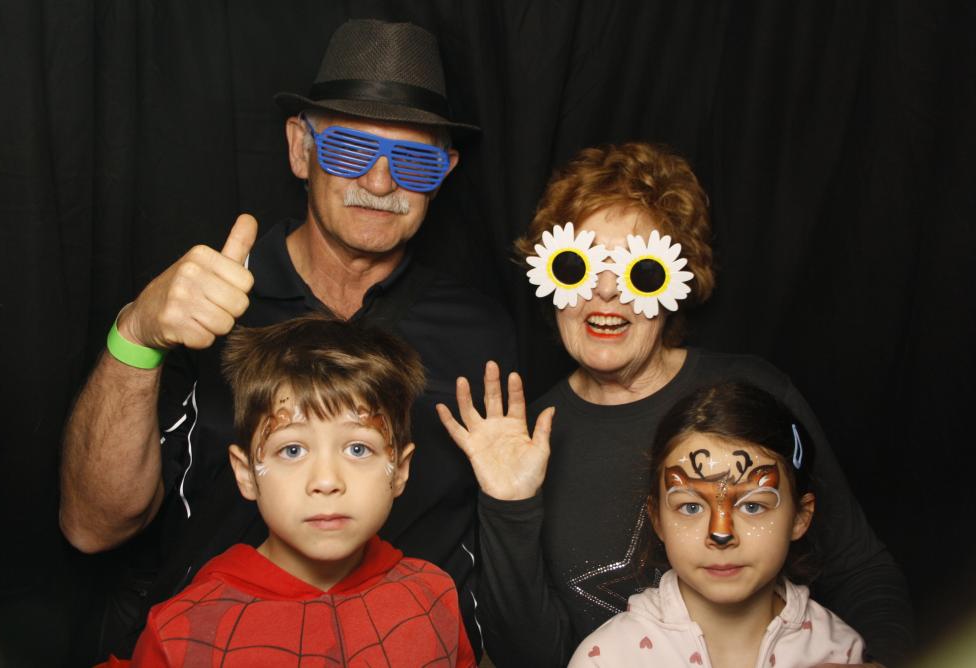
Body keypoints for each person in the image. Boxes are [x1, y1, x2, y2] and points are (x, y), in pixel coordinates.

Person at [59, 19, 514, 659]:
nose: (380, 183)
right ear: (301, 149)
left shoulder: (479, 332)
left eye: (414, 160)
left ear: (444, 173)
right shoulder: (206, 305)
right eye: (350, 150)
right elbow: (93, 529)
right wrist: (136, 334)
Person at [437, 142, 913, 667]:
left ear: (677, 283)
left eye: (639, 271)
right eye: (578, 266)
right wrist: (509, 505)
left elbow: (859, 569)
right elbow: (532, 659)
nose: (607, 292)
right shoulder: (521, 443)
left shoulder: (752, 393)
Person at [121, 315, 475, 667]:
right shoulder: (181, 631)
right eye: (292, 450)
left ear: (399, 470)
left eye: (358, 449)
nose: (326, 481)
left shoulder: (434, 596)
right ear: (246, 473)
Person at [567, 381, 864, 667]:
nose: (720, 534)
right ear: (657, 519)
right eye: (691, 507)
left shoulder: (841, 653)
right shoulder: (606, 660)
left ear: (800, 517)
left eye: (752, 506)